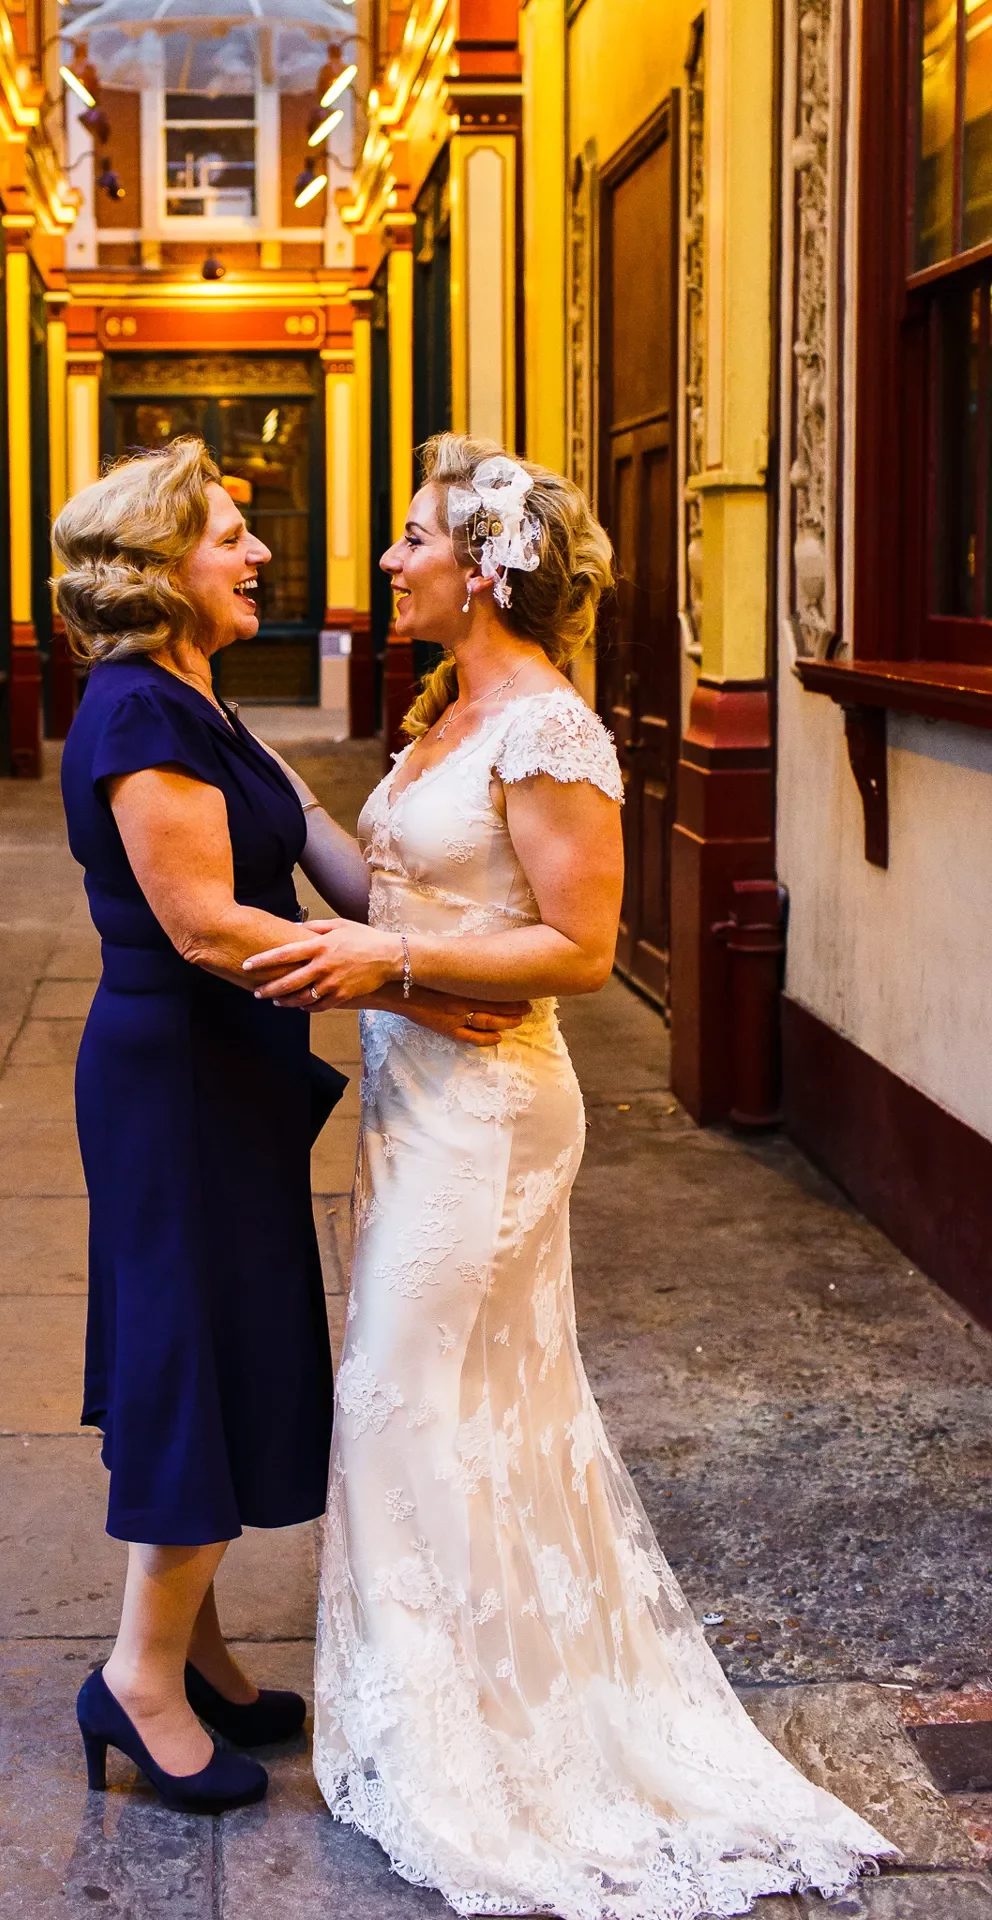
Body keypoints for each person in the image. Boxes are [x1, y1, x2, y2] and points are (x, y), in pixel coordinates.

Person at [245, 435, 896, 1914]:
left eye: (415, 539)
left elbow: (580, 949)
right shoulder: (449, 709)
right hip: (416, 1097)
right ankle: (456, 1706)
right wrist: (279, 799)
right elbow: (396, 889)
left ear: (482, 573)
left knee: (405, 1396)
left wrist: (388, 963)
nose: (391, 560)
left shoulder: (548, 729)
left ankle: (477, 1751)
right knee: (461, 1406)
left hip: (490, 1115)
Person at [54, 437, 525, 1817]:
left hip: (223, 1071)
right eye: (229, 536)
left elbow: (312, 838)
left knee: (215, 1340)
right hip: (178, 1079)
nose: (260, 553)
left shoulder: (194, 694)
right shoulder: (139, 713)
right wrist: (411, 982)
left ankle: (196, 1657)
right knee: (192, 1350)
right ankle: (138, 1680)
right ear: (160, 569)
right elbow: (205, 926)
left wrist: (426, 932)